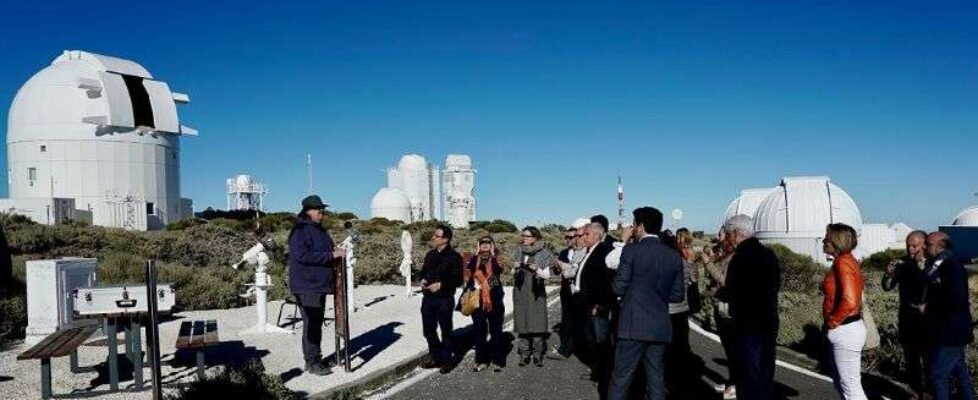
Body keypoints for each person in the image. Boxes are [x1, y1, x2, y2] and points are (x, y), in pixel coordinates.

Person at [608, 207, 685, 400]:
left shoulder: (631, 250)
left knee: (621, 378)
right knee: (656, 379)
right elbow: (677, 295)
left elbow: (618, 287)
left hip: (632, 324)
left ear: (641, 226)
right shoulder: (673, 255)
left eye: (634, 224)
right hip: (659, 326)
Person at [720, 214, 780, 400]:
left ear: (737, 234)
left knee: (749, 375)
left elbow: (733, 290)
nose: (728, 238)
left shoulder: (740, 258)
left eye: (729, 234)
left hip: (747, 324)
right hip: (768, 320)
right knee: (765, 372)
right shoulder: (769, 255)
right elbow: (775, 286)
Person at [288, 195, 346, 376]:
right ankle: (312, 362)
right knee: (312, 324)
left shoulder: (319, 230)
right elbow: (302, 255)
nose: (321, 212)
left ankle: (314, 358)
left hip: (318, 285)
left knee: (315, 323)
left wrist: (334, 250)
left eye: (322, 209)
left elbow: (326, 249)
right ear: (308, 211)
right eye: (318, 209)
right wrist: (331, 255)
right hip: (307, 285)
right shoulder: (300, 230)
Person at [921, 231, 974, 400]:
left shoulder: (952, 267)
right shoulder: (936, 266)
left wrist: (928, 307)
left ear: (941, 247)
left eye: (928, 244)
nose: (924, 246)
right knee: (959, 371)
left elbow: (957, 298)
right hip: (945, 330)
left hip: (951, 331)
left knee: (938, 374)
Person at [881, 230, 931, 398]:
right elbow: (887, 286)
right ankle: (915, 392)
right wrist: (888, 274)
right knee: (911, 360)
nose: (910, 249)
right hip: (907, 320)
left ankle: (930, 393)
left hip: (929, 322)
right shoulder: (901, 263)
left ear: (924, 245)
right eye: (908, 245)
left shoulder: (934, 264)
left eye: (914, 246)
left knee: (930, 361)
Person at [821, 223, 868, 400]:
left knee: (851, 387)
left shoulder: (843, 263)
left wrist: (833, 322)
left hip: (845, 329)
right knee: (844, 383)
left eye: (827, 238)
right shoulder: (846, 261)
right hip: (847, 328)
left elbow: (850, 300)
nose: (823, 241)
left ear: (836, 241)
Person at [419, 224, 464, 374]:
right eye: (434, 235)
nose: (433, 238)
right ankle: (436, 357)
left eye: (436, 236)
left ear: (446, 239)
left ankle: (447, 361)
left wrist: (441, 284)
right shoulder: (430, 255)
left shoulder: (455, 257)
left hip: (444, 299)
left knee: (446, 331)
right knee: (428, 330)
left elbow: (458, 280)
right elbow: (423, 271)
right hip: (428, 299)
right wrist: (423, 279)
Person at [576, 222, 616, 384]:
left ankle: (604, 373)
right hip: (587, 303)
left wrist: (599, 305)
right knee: (592, 338)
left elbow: (606, 282)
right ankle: (598, 369)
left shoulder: (603, 252)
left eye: (587, 234)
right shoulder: (590, 251)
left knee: (601, 340)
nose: (584, 237)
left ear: (597, 235)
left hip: (597, 305)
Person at [512, 226, 555, 367]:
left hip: (536, 290)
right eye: (523, 235)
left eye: (527, 236)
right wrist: (515, 267)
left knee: (537, 322)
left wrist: (538, 269)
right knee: (522, 320)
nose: (524, 238)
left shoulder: (544, 253)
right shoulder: (518, 250)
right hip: (520, 289)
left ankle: (537, 354)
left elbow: (550, 274)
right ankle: (524, 354)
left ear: (535, 238)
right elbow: (512, 271)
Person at [703, 229, 738, 400]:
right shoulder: (723, 255)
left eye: (721, 235)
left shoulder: (734, 258)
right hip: (719, 306)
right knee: (729, 349)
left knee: (734, 350)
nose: (718, 237)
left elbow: (725, 281)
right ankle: (732, 380)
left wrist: (708, 263)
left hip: (729, 309)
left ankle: (736, 385)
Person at [465, 236, 506, 373]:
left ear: (492, 245)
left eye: (488, 243)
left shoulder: (497, 259)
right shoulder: (474, 259)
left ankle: (497, 360)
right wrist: (476, 254)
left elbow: (498, 270)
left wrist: (493, 256)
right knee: (479, 331)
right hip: (477, 300)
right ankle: (481, 360)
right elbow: (470, 269)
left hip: (494, 300)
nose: (485, 245)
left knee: (496, 331)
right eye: (482, 242)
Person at [550, 219, 589, 360]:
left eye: (571, 237)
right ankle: (565, 349)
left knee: (582, 320)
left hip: (579, 291)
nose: (568, 240)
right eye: (566, 237)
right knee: (566, 319)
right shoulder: (563, 252)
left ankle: (582, 348)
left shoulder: (585, 252)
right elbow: (557, 272)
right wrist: (556, 267)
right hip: (566, 290)